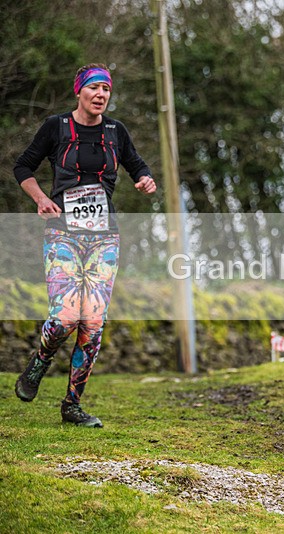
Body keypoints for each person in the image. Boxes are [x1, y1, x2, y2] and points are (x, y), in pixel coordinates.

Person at [13, 63, 157, 427]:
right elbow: (23, 167)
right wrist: (41, 199)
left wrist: (145, 179)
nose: (100, 95)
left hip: (104, 237)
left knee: (93, 321)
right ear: (79, 91)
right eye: (93, 88)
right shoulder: (56, 127)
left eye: (106, 90)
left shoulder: (116, 131)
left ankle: (72, 405)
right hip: (63, 233)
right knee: (64, 318)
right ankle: (41, 360)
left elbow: (137, 164)